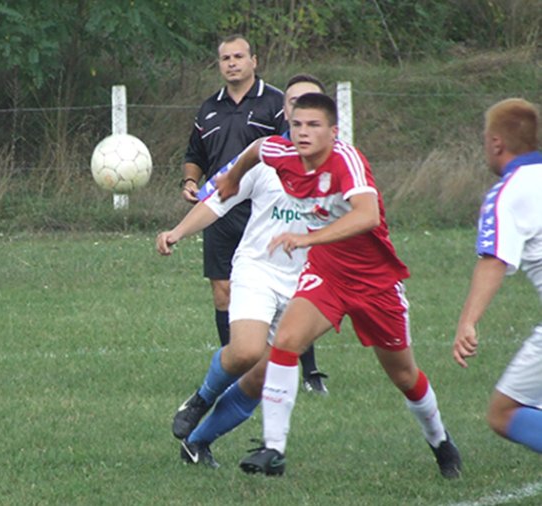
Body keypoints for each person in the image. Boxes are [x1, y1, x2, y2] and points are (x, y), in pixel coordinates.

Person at [215, 92, 462, 478]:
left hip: (374, 282)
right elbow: (258, 149)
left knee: (404, 375)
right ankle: (274, 449)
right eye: (297, 124)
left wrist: (308, 238)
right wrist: (232, 179)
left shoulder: (347, 159)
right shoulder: (283, 153)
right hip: (327, 274)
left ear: (333, 131)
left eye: (314, 125)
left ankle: (441, 441)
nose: (303, 132)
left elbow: (366, 215)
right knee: (286, 342)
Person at [163, 76, 327, 468]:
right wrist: (177, 232)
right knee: (247, 351)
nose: (301, 112)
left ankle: (197, 444)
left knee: (262, 375)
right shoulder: (264, 154)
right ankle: (199, 400)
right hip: (258, 269)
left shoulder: (342, 166)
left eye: (311, 104)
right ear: (284, 110)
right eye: (293, 103)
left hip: (305, 285)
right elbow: (218, 200)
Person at [181, 35, 325, 393]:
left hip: (266, 211)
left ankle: (309, 372)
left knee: (293, 295)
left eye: (238, 56)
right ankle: (234, 367)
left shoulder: (277, 103)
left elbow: (293, 150)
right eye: (225, 58)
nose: (232, 63)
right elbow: (195, 154)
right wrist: (190, 180)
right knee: (222, 291)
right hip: (222, 209)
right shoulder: (208, 108)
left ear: (254, 61)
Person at [453, 98, 542, 454]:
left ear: (495, 143)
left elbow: (493, 261)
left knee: (503, 413)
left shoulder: (509, 192)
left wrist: (467, 322)